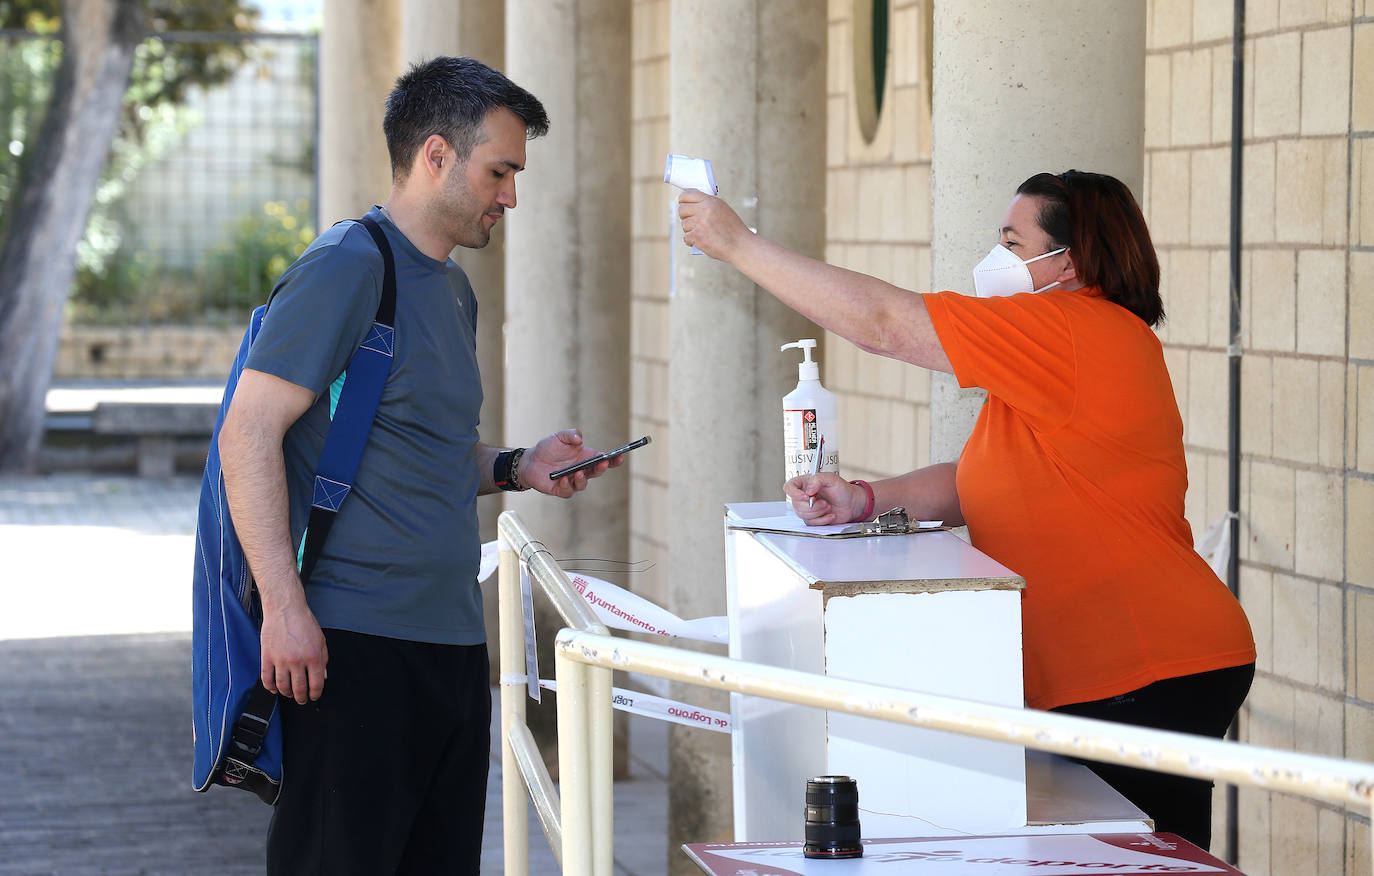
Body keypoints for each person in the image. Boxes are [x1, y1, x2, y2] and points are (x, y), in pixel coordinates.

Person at [678, 170, 1254, 849]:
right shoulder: (1059, 346)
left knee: (1143, 859)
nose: (996, 258)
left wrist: (739, 244)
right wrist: (866, 498)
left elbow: (885, 324)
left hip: (1147, 665)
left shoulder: (1072, 330)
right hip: (1110, 668)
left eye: (1014, 242)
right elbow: (982, 479)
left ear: (1066, 260)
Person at [219, 56, 618, 874]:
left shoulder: (451, 288)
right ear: (436, 155)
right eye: (499, 171)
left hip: (449, 647)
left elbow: (417, 449)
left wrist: (517, 465)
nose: (511, 195)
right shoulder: (347, 267)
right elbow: (247, 434)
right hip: (352, 648)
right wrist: (285, 611)